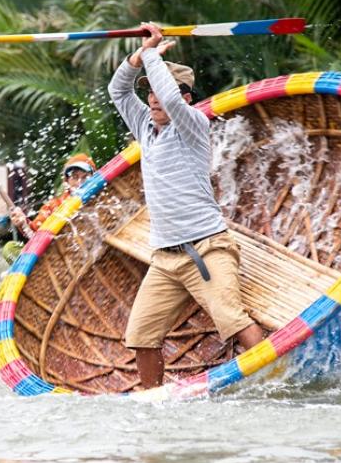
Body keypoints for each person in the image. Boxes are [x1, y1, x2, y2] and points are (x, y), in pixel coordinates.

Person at [107, 22, 263, 389]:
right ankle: (154, 400)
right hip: (165, 257)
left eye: (163, 93)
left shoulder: (192, 124)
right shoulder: (145, 127)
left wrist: (152, 53)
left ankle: (276, 379)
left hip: (208, 247)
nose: (154, 100)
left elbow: (171, 100)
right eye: (151, 95)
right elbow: (118, 90)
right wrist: (137, 57)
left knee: (231, 318)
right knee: (141, 335)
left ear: (187, 98)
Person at [2, 154, 96, 262]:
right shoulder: (54, 205)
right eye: (75, 177)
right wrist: (22, 222)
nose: (80, 182)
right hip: (59, 259)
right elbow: (34, 233)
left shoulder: (103, 200)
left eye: (85, 177)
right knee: (10, 248)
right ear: (66, 181)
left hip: (90, 254)